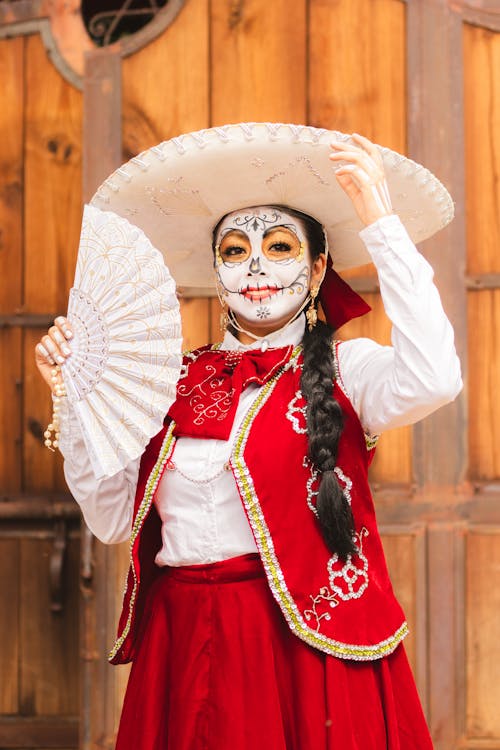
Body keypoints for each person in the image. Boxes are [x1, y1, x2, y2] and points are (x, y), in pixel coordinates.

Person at [36, 125, 462, 749]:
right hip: (181, 641)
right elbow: (109, 519)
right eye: (234, 251)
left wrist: (380, 222)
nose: (255, 266)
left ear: (318, 269)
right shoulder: (165, 379)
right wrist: (71, 397)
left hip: (303, 648)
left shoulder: (350, 369)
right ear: (217, 271)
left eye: (280, 246)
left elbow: (436, 377)